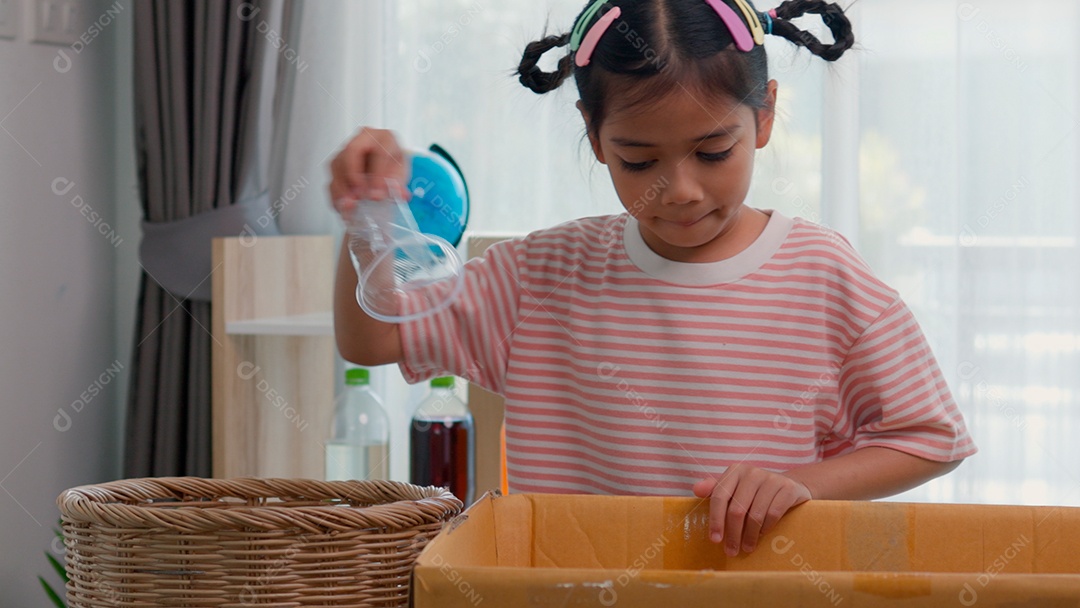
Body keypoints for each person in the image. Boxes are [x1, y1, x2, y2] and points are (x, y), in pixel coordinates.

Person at [329, 0, 976, 558]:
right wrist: (368, 218)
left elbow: (932, 436)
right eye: (640, 161)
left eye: (713, 152)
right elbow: (374, 339)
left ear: (765, 115)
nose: (681, 190)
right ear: (595, 135)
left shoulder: (822, 274)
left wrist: (802, 483)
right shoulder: (542, 275)